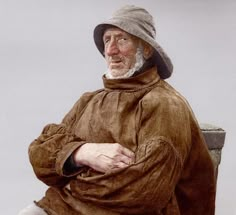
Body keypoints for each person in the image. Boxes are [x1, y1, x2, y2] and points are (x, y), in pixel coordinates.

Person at [19, 5, 216, 215]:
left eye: (122, 39)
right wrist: (82, 153)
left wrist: (69, 186)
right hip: (66, 207)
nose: (111, 51)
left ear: (147, 49)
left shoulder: (165, 104)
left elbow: (144, 192)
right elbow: (40, 154)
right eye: (107, 40)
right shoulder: (89, 100)